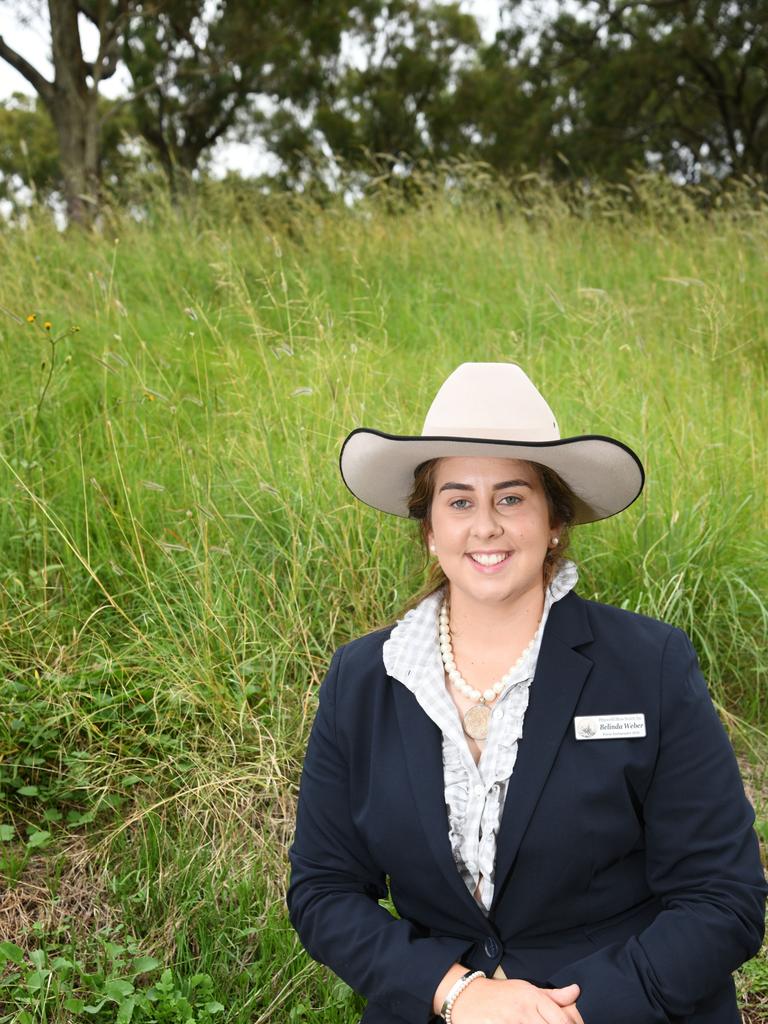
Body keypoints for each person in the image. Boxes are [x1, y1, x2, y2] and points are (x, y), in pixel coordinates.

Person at [287, 362, 766, 1024]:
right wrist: (457, 993)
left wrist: (564, 1013)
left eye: (511, 498)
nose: (485, 526)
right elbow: (324, 890)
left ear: (554, 522)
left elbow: (723, 898)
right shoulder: (362, 680)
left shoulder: (649, 665)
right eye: (459, 501)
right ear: (429, 529)